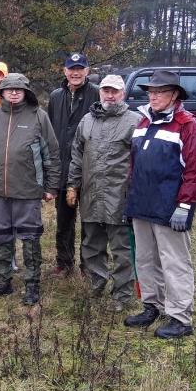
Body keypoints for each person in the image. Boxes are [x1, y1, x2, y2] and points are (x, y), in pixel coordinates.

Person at [122, 70, 196, 339]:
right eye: (151, 92)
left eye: (160, 92)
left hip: (170, 208)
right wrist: (130, 200)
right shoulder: (143, 122)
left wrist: (185, 205)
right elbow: (135, 166)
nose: (154, 96)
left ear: (174, 95)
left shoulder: (189, 125)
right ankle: (152, 305)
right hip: (141, 204)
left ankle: (180, 318)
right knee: (145, 259)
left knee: (175, 262)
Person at [0, 73, 59, 305]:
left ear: (25, 92)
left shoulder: (38, 116)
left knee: (30, 237)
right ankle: (2, 281)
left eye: (18, 89)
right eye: (8, 89)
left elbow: (51, 153)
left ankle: (32, 285)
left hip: (28, 189)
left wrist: (51, 186)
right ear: (0, 92)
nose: (13, 92)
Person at [66, 75, 142, 311]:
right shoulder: (87, 120)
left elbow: (141, 162)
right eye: (106, 91)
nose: (110, 95)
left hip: (120, 197)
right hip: (90, 195)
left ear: (123, 94)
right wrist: (72, 185)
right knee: (91, 244)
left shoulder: (135, 122)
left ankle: (122, 294)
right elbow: (77, 155)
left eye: (115, 91)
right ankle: (96, 283)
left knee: (122, 248)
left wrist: (137, 193)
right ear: (100, 92)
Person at [47, 53, 100, 276]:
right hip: (62, 168)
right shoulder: (56, 96)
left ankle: (89, 265)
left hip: (88, 168)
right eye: (72, 69)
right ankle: (64, 262)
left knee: (90, 222)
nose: (75, 73)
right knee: (64, 221)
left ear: (87, 71)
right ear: (65, 71)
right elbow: (50, 133)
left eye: (80, 68)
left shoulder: (97, 94)